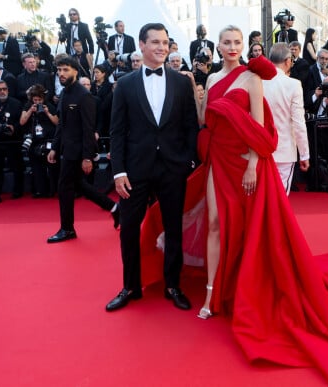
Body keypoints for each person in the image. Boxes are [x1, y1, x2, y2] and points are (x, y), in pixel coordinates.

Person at [140, 25, 328, 380]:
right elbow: (204, 121)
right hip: (218, 161)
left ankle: (245, 288)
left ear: (245, 47)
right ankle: (212, 295)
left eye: (237, 43)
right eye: (225, 43)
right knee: (214, 224)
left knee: (247, 228)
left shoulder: (252, 78)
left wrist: (255, 164)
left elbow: (260, 126)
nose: (231, 47)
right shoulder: (211, 80)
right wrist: (198, 97)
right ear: (216, 46)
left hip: (245, 162)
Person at [105, 23, 199, 312]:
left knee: (173, 228)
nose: (162, 47)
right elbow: (117, 131)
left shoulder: (183, 82)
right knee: (129, 229)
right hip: (134, 171)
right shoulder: (125, 84)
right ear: (142, 46)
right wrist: (119, 171)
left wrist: (187, 161)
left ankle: (173, 284)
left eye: (165, 42)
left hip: (172, 169)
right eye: (155, 42)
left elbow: (190, 127)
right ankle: (130, 286)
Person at [46, 56, 120, 243]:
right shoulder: (64, 93)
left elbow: (89, 128)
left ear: (75, 71)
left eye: (65, 70)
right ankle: (115, 209)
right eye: (59, 70)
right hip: (66, 149)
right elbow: (61, 124)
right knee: (79, 186)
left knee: (64, 188)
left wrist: (88, 157)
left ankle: (67, 229)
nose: (61, 74)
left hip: (78, 151)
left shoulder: (83, 95)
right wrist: (55, 147)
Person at [262, 43, 309, 195]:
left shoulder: (258, 81)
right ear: (288, 61)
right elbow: (298, 122)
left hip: (261, 149)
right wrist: (304, 154)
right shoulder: (294, 84)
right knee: (280, 197)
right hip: (284, 150)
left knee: (263, 196)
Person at [0, 80, 24, 203]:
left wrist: (14, 128)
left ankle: (18, 191)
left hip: (12, 141)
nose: (2, 91)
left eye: (4, 89)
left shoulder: (16, 103)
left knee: (16, 166)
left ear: (8, 90)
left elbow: (21, 122)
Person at [19, 84, 58, 198]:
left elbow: (57, 122)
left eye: (39, 100)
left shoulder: (49, 106)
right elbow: (22, 121)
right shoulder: (28, 106)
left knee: (51, 166)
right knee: (36, 167)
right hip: (33, 140)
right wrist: (31, 111)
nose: (37, 102)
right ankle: (40, 190)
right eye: (35, 100)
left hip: (48, 139)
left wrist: (47, 113)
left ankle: (53, 189)